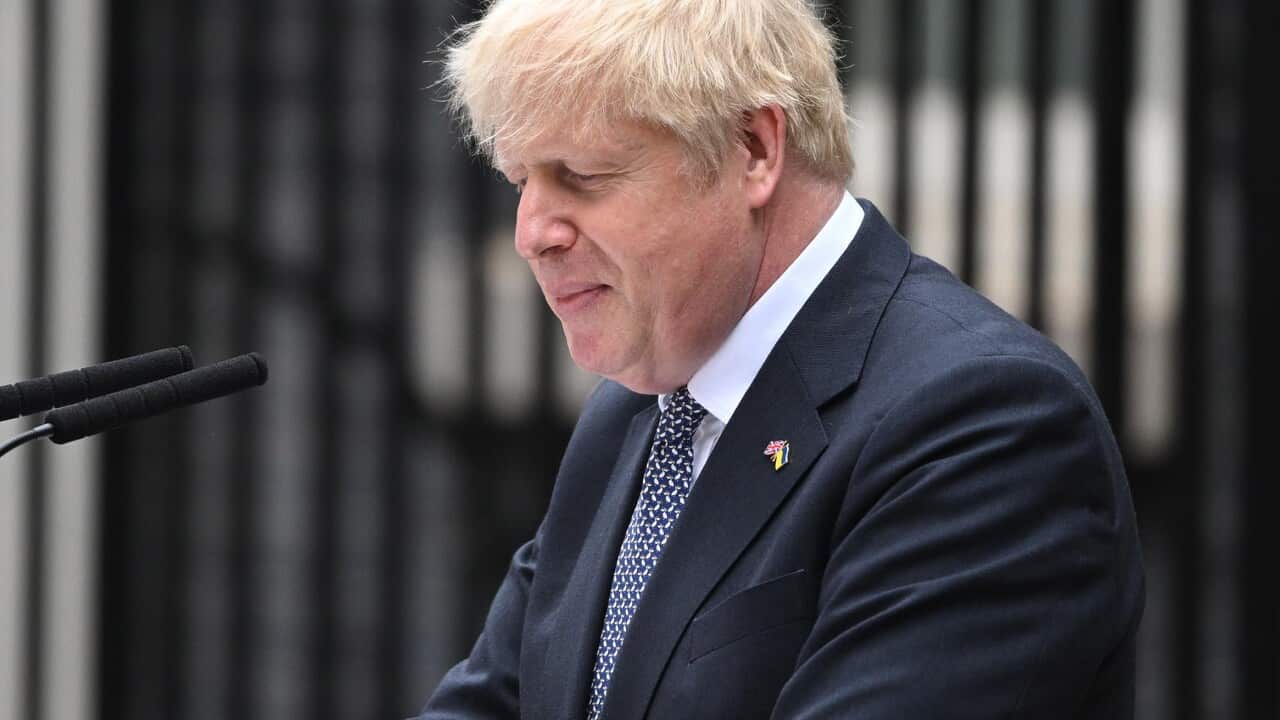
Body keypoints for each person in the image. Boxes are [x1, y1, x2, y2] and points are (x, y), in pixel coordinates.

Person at [419, 0, 1144, 717]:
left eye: (582, 174)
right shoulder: (638, 409)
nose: (530, 234)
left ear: (755, 149)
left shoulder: (983, 425)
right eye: (520, 182)